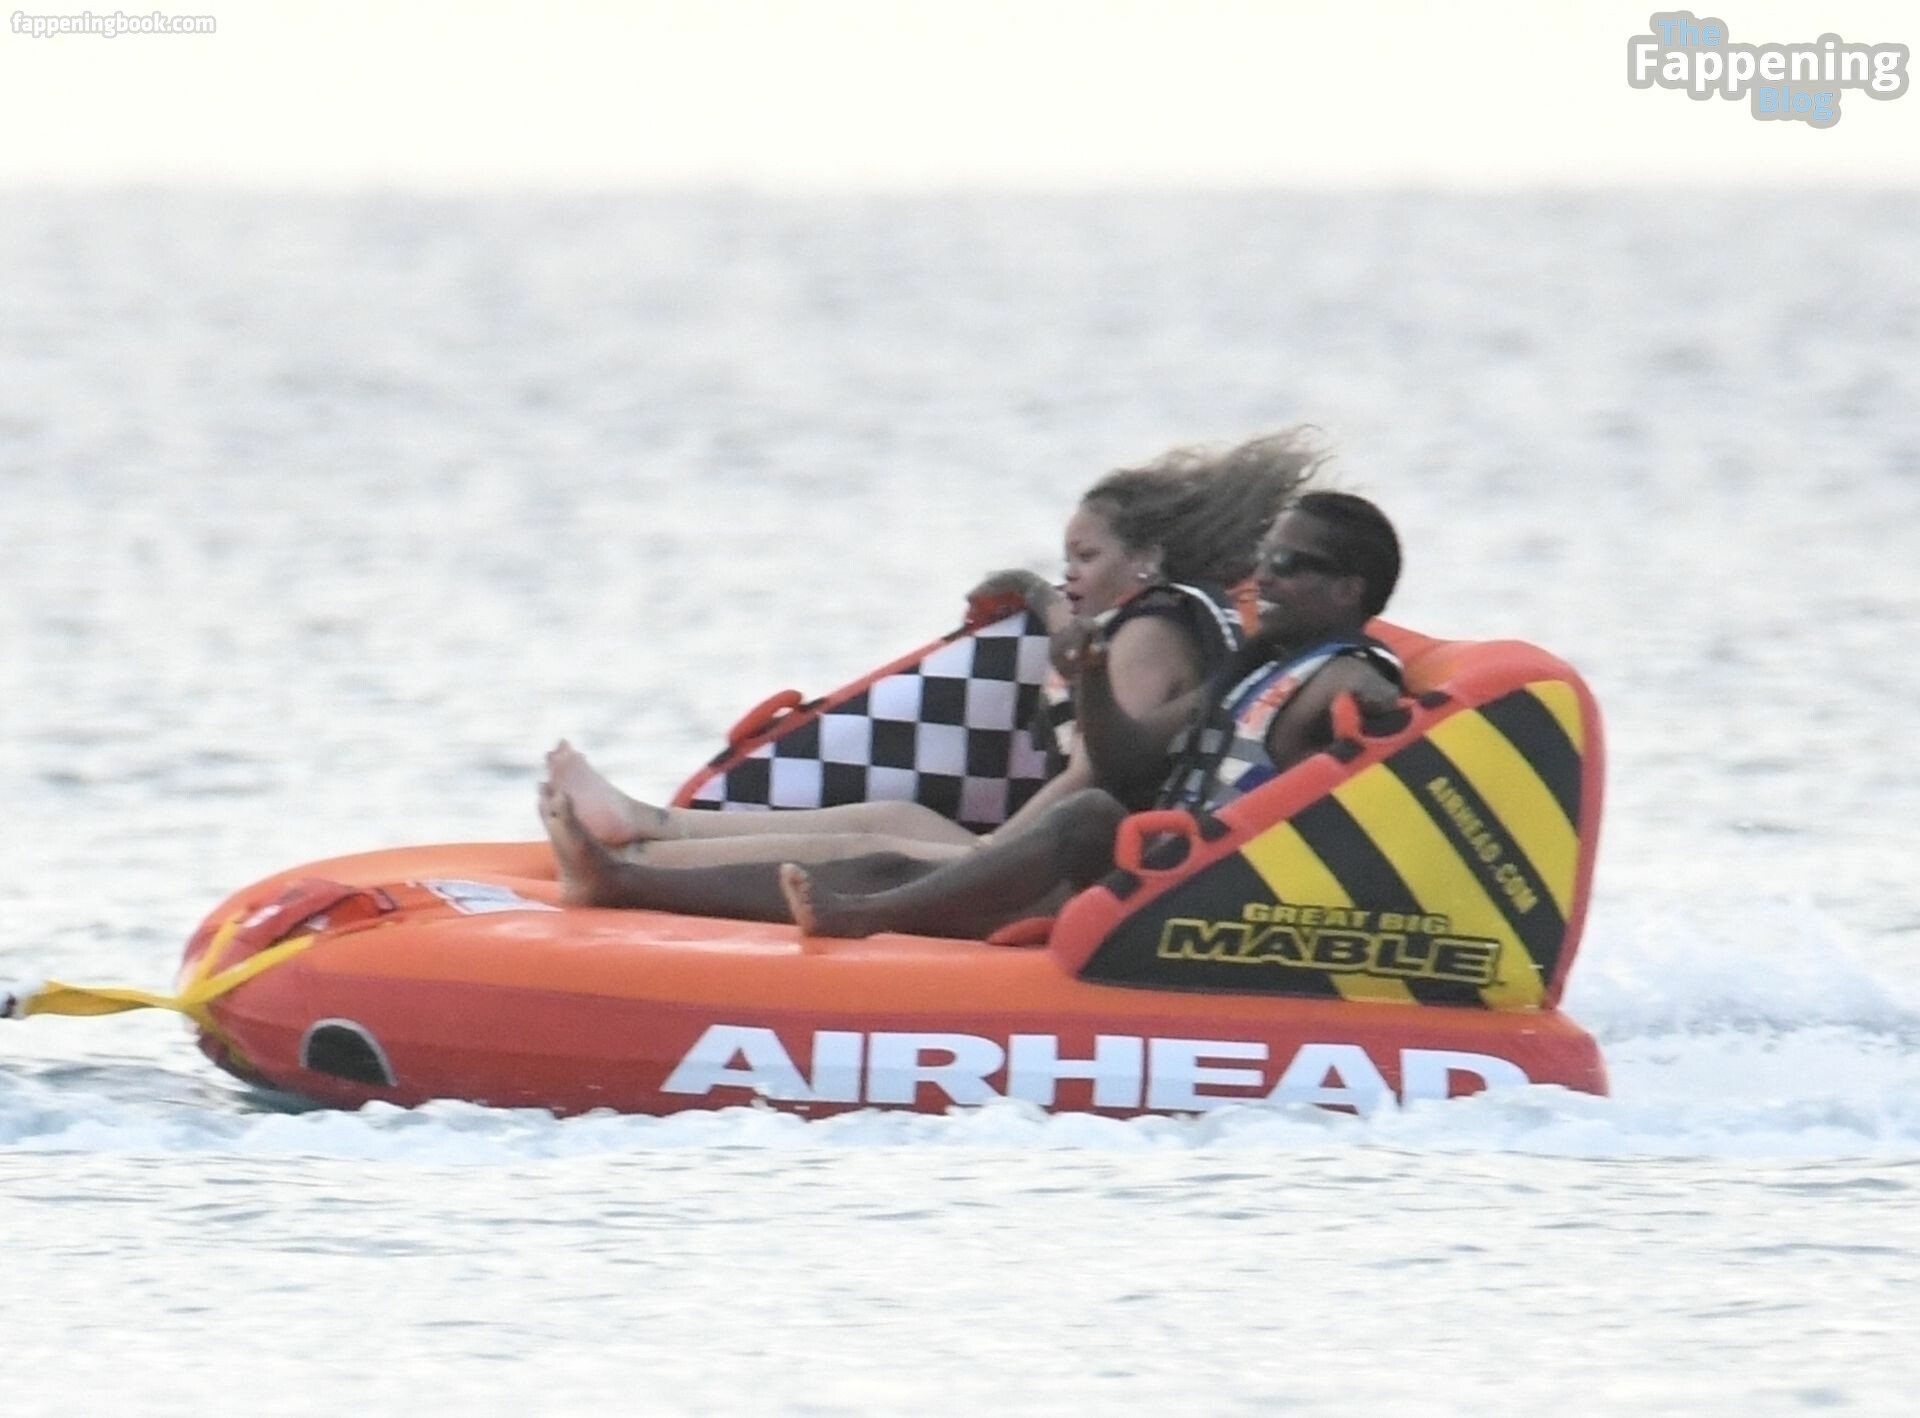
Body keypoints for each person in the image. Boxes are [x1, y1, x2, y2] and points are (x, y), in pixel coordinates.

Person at [538, 432, 1326, 917]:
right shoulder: (1155, 619)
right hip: (1072, 853)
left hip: (1083, 871)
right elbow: (1073, 647)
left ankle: (634, 868)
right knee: (894, 817)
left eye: (1087, 557)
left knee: (886, 845)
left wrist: (991, 858)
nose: (1072, 574)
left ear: (1147, 561)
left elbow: (1096, 774)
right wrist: (1031, 591)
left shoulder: (1152, 633)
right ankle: (647, 826)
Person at [774, 490, 1405, 939]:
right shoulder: (1260, 668)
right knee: (888, 857)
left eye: (1286, 565)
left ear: (1348, 589)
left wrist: (1376, 703)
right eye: (1264, 558)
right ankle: (778, 900)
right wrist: (1093, 675)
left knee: (1089, 815)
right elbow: (1122, 756)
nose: (1261, 578)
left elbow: (1375, 696)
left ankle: (865, 919)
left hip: (1205, 905)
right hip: (1158, 877)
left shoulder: (1345, 673)